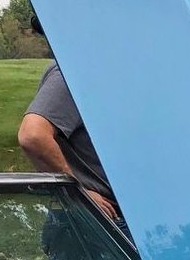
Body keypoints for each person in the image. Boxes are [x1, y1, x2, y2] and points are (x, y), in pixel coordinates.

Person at [17, 31, 122, 224]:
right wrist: (78, 193)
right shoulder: (76, 71)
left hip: (125, 220)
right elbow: (33, 135)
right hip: (97, 220)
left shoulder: (114, 74)